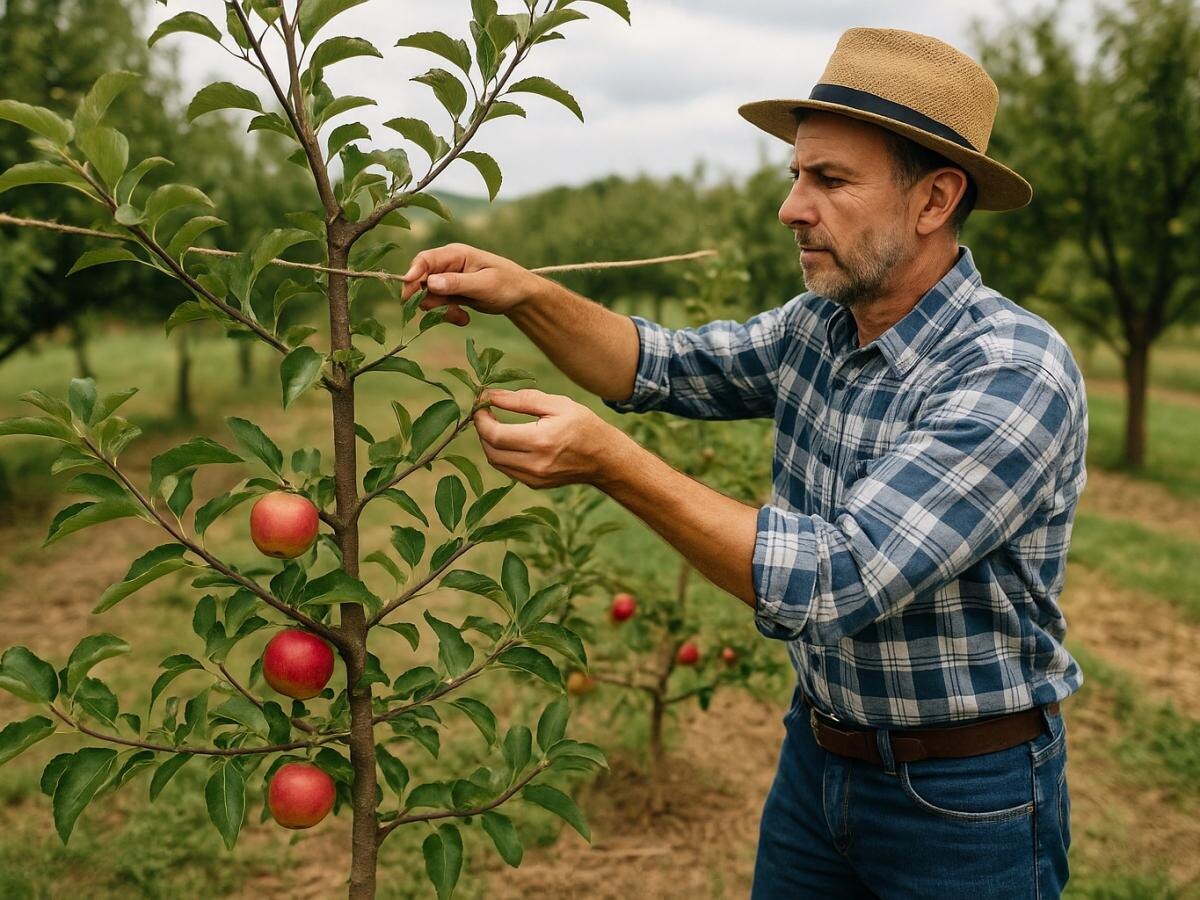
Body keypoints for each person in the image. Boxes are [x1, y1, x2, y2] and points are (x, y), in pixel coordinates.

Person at [400, 27, 1086, 899]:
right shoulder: (821, 328)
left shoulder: (1011, 370)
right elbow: (657, 364)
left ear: (935, 199)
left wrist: (615, 464)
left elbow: (835, 578)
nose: (792, 207)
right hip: (819, 758)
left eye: (830, 180)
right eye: (795, 176)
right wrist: (527, 294)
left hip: (964, 801)